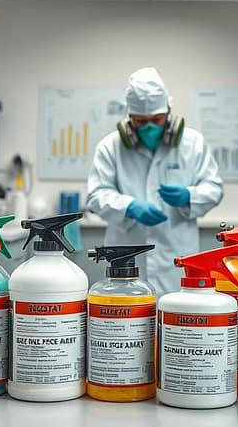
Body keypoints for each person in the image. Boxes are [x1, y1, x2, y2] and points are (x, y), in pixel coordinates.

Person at [86, 67, 223, 295]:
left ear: (169, 115)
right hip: (125, 257)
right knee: (127, 317)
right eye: (141, 121)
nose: (150, 127)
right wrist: (129, 206)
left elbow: (214, 188)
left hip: (177, 255)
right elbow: (96, 194)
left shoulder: (192, 144)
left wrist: (190, 196)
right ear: (128, 119)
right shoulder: (111, 147)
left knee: (177, 317)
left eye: (157, 119)